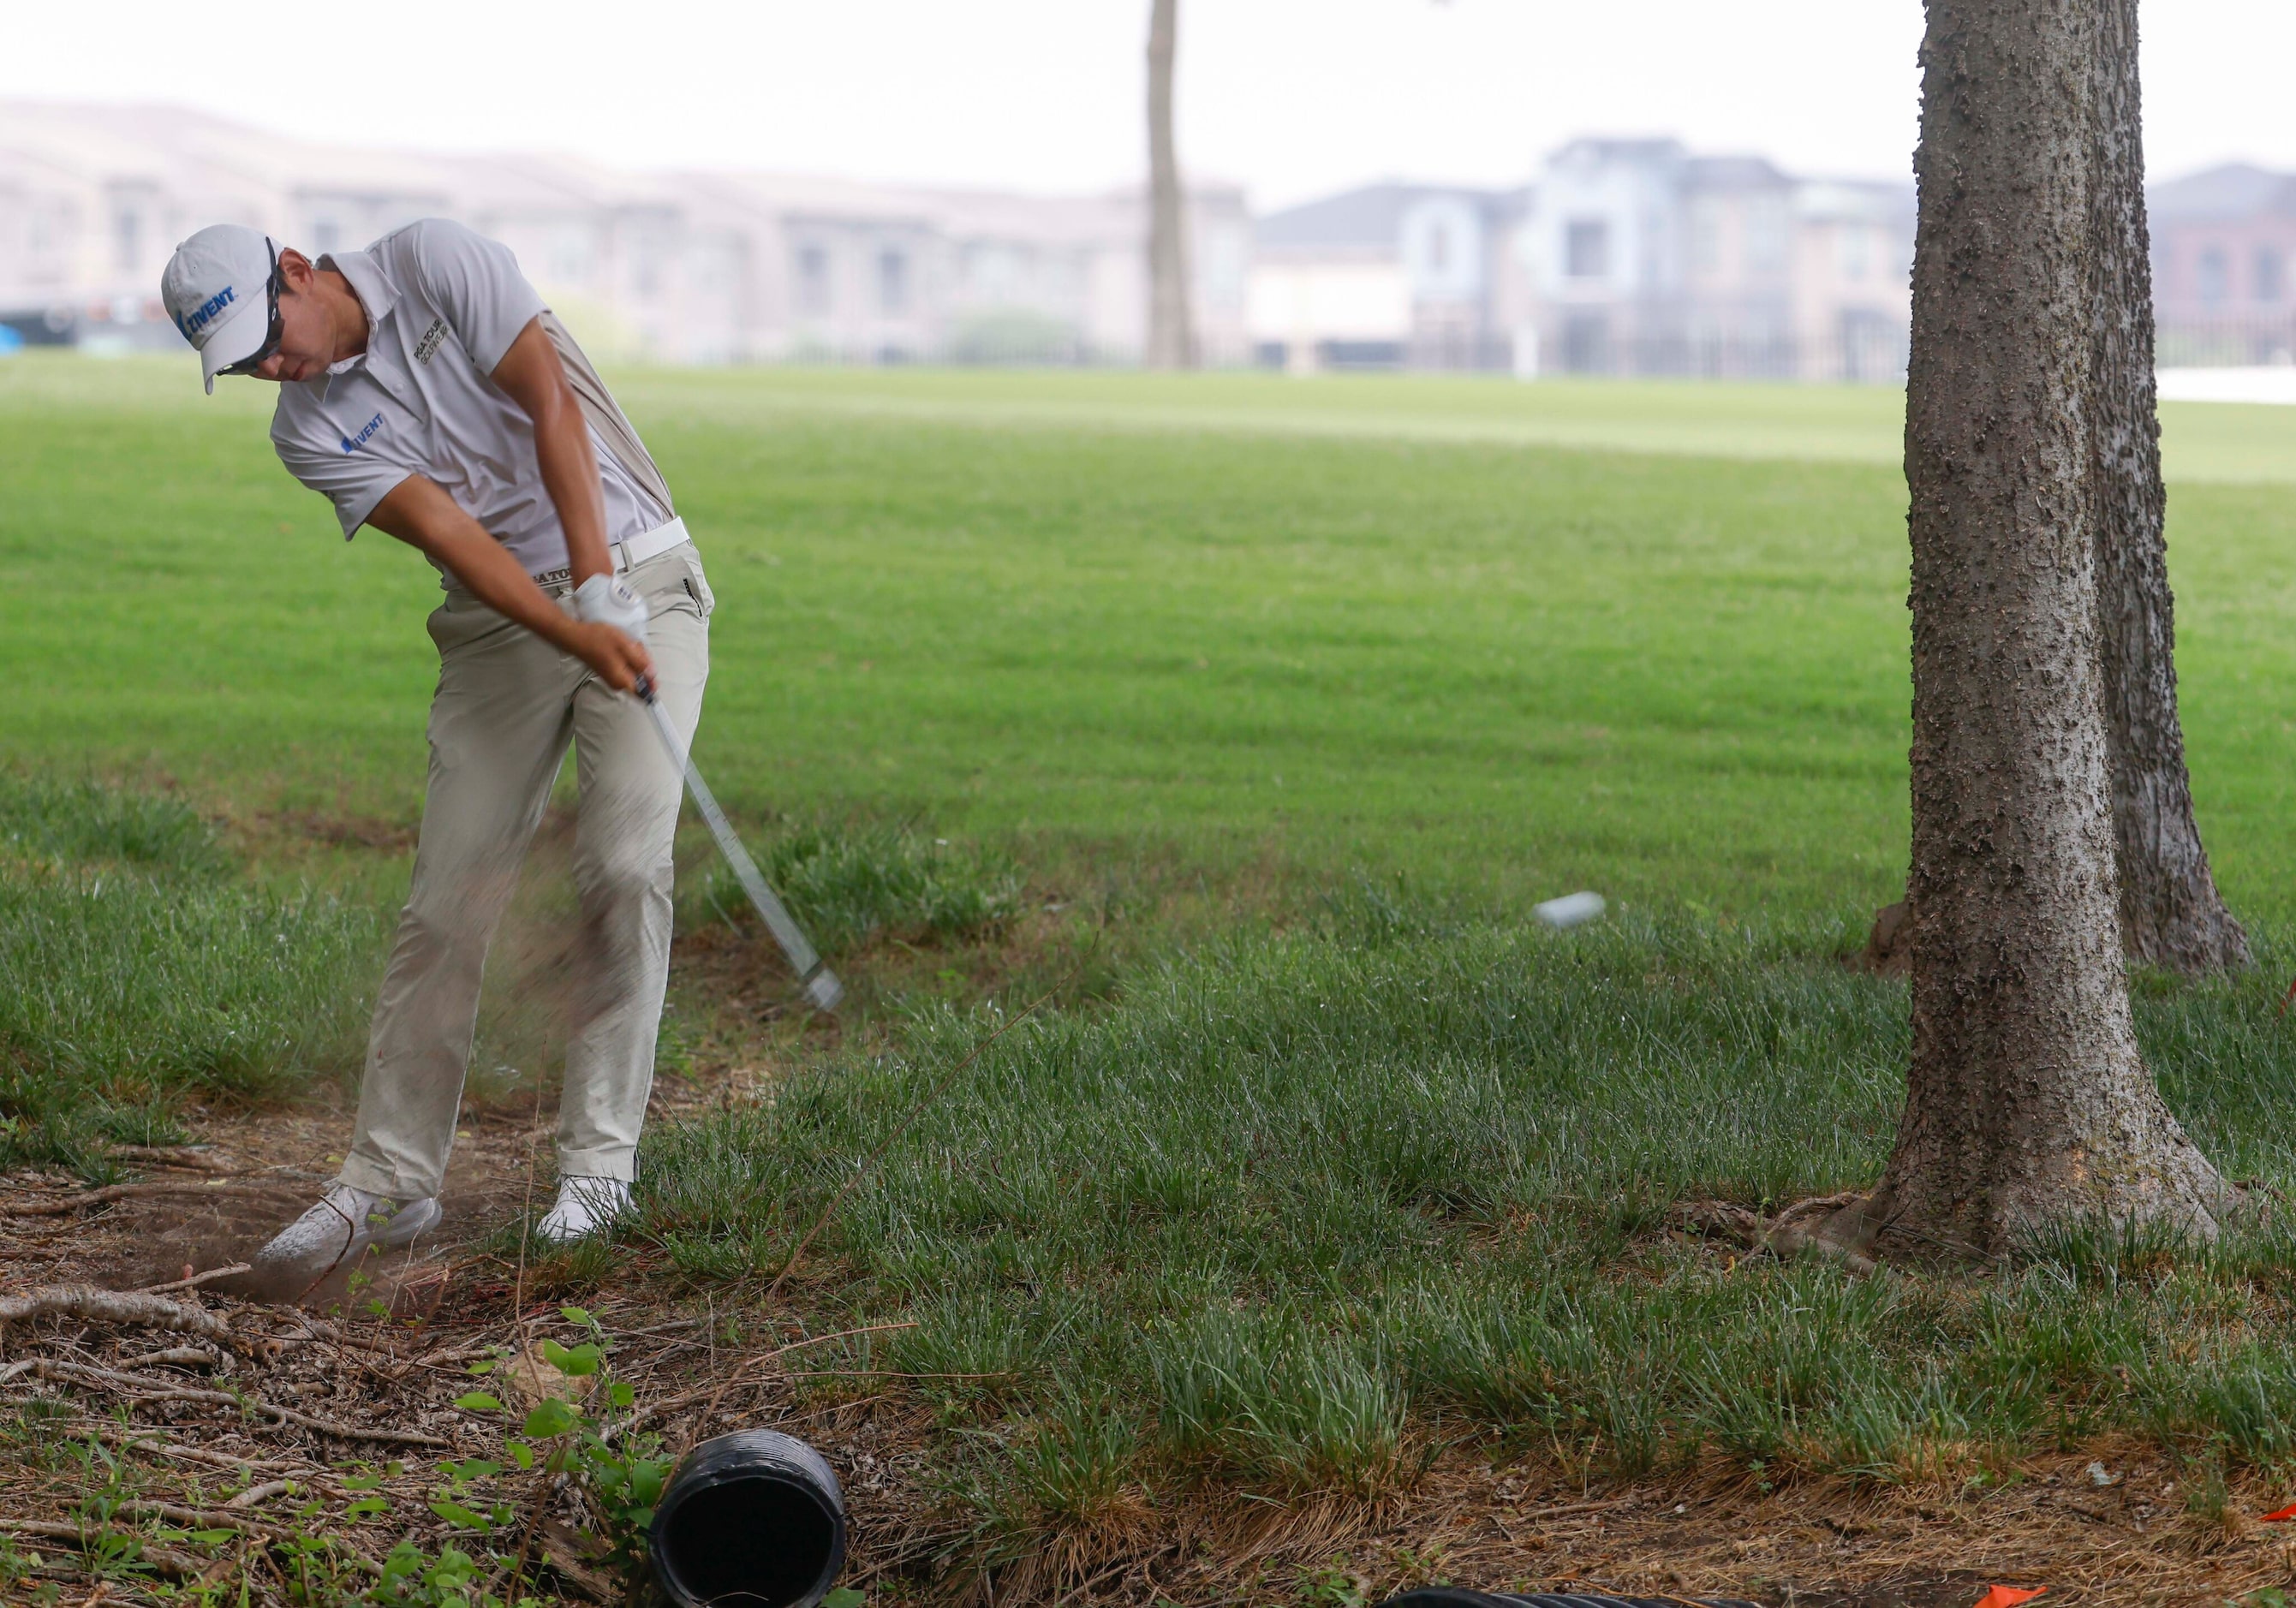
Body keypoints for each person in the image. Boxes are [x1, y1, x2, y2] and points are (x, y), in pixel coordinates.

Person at [158, 219, 713, 1288]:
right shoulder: (304, 432)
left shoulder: (432, 259)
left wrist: (600, 596)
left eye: (269, 340)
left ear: (295, 273)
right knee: (446, 899)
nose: (274, 370)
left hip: (637, 578)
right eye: (246, 367)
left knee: (624, 864)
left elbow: (550, 399)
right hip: (501, 623)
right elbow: (460, 540)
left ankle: (597, 1171)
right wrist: (568, 630)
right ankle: (389, 1183)